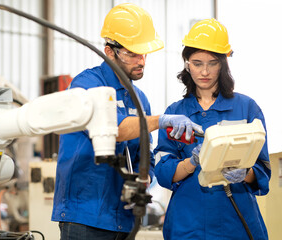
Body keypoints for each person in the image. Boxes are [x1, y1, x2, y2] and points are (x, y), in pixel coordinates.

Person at [51, 3, 202, 240]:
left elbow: (146, 154)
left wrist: (145, 178)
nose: (141, 61)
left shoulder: (139, 99)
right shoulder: (87, 85)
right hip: (85, 216)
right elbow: (115, 130)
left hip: (124, 218)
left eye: (143, 54)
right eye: (132, 54)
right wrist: (160, 120)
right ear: (109, 51)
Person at [154, 18, 270, 240]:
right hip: (188, 223)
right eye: (197, 63)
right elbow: (163, 171)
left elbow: (263, 170)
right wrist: (192, 162)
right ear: (187, 64)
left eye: (212, 63)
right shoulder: (175, 113)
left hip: (236, 223)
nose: (204, 71)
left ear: (224, 63)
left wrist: (244, 174)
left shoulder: (246, 107)